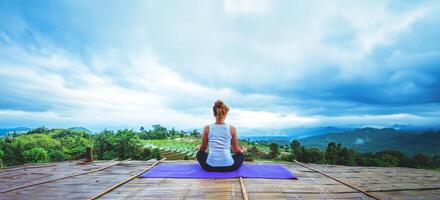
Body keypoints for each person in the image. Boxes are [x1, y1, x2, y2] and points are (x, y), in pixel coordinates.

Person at [196, 100, 247, 171]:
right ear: (226, 114)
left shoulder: (207, 128)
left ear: (214, 114)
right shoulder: (232, 129)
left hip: (210, 167)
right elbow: (235, 150)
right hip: (229, 167)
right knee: (241, 155)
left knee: (199, 154)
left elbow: (203, 149)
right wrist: (242, 151)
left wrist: (199, 148)